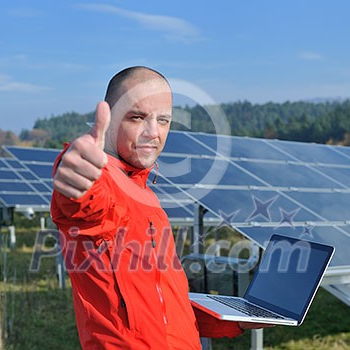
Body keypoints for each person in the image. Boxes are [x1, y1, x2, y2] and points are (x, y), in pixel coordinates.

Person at [51, 66, 266, 349]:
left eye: (163, 120)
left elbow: (164, 309)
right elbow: (84, 206)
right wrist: (76, 176)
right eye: (137, 117)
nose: (153, 133)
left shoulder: (146, 196)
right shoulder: (104, 183)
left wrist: (235, 320)